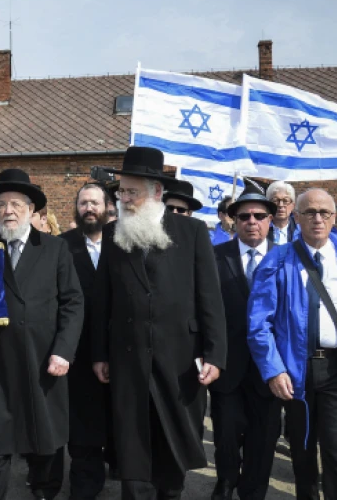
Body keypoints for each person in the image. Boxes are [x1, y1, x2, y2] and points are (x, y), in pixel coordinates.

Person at [91, 146, 227, 500]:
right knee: (132, 454)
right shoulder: (112, 234)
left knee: (172, 454)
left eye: (132, 192)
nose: (124, 199)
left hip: (180, 362)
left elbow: (210, 299)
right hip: (128, 360)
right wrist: (99, 353)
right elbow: (102, 302)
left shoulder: (193, 232)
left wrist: (215, 355)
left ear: (155, 192)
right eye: (121, 191)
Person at [247, 188, 337, 500]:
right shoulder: (277, 261)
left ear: (334, 217)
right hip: (296, 369)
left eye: (324, 212)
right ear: (296, 217)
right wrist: (273, 370)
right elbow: (259, 323)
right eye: (309, 212)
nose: (317, 218)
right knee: (302, 450)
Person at [0, 168, 84, 500]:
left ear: (32, 210)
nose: (9, 211)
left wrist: (64, 351)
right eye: (2, 204)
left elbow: (73, 303)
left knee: (46, 432)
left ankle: (45, 490)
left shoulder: (55, 249)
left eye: (16, 204)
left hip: (44, 357)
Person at [209, 183, 281, 500]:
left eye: (259, 216)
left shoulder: (285, 259)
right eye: (244, 216)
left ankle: (253, 489)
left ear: (270, 220)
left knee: (264, 435)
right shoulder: (214, 257)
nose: (252, 221)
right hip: (227, 363)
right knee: (224, 432)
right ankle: (225, 481)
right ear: (233, 220)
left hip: (270, 367)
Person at [60, 182, 113, 499]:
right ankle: (84, 481)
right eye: (82, 203)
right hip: (78, 350)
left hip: (119, 347)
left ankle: (119, 465)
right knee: (82, 421)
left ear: (107, 207)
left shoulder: (124, 243)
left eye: (94, 203)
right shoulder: (61, 246)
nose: (88, 209)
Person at [266, 181, 297, 246]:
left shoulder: (300, 232)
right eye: (275, 200)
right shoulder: (261, 228)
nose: (280, 205)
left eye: (285, 201)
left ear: (293, 205)